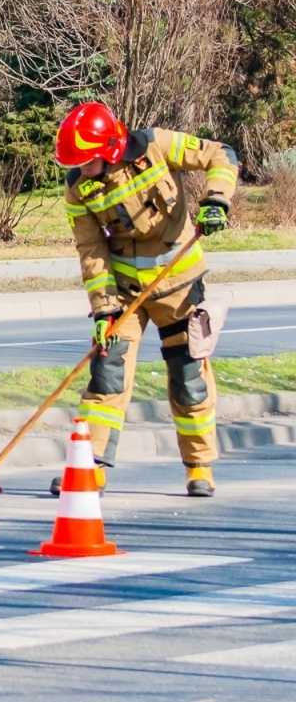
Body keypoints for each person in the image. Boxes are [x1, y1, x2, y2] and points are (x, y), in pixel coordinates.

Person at [57, 100, 239, 497]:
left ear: (108, 150)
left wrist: (216, 201)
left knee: (189, 378)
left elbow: (220, 155)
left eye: (87, 162)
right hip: (124, 294)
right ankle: (91, 467)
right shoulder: (78, 189)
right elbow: (91, 251)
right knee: (106, 373)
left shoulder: (156, 146)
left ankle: (199, 469)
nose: (81, 170)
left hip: (179, 287)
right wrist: (104, 310)